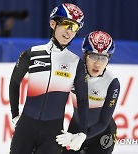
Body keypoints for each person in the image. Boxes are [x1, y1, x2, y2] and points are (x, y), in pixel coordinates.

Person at [9, 3, 88, 154]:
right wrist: (15, 115)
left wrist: (82, 132)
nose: (69, 31)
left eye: (75, 27)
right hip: (26, 126)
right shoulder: (31, 54)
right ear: (53, 23)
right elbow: (14, 83)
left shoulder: (76, 63)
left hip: (53, 132)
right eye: (66, 24)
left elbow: (83, 100)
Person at [56, 31, 120, 154]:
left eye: (103, 58)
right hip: (76, 127)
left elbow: (103, 122)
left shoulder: (112, 82)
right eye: (93, 56)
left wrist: (82, 135)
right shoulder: (72, 73)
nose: (97, 63)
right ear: (85, 55)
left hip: (102, 133)